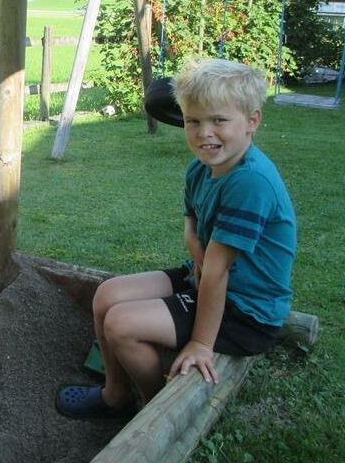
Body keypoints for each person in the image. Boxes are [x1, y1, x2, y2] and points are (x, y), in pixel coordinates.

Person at [56, 58, 296, 419]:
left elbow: (217, 272)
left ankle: (156, 412)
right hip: (204, 280)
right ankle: (116, 396)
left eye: (219, 120)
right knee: (107, 295)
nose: (204, 133)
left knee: (121, 325)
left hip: (245, 310)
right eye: (193, 121)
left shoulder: (251, 182)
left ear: (252, 121)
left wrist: (201, 343)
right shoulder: (201, 167)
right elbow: (192, 217)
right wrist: (191, 239)